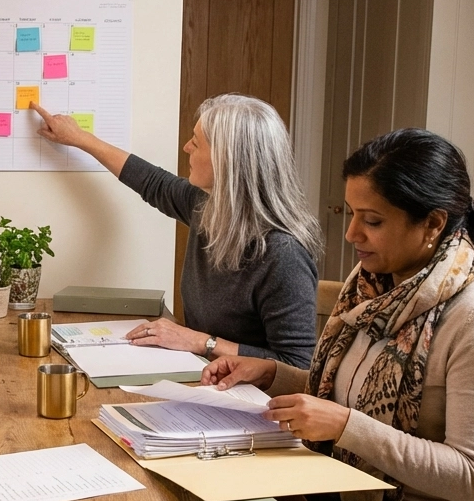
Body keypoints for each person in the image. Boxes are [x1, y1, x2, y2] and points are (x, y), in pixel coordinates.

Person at [204, 128, 474, 501]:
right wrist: (273, 374)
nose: (351, 236)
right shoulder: (374, 284)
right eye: (351, 216)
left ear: (432, 224)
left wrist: (346, 426)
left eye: (372, 221)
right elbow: (353, 393)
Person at [31, 93, 321, 367]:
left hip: (250, 403)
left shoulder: (284, 255)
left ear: (227, 159)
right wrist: (79, 138)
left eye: (196, 142)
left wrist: (202, 342)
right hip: (202, 378)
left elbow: (296, 367)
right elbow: (151, 181)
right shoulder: (207, 206)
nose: (186, 147)